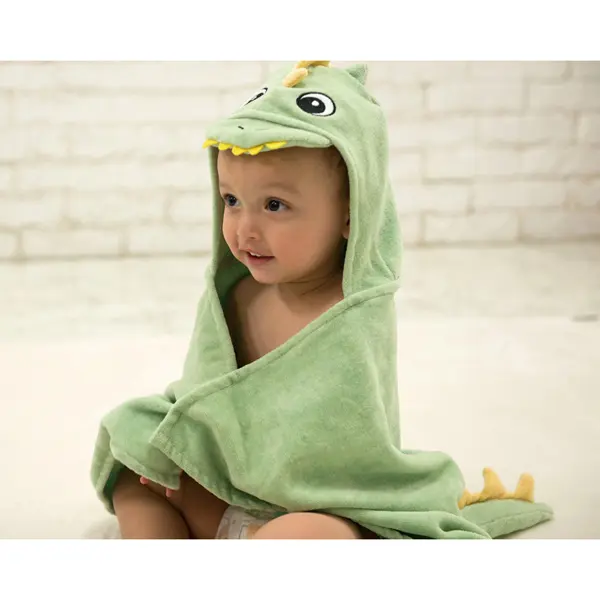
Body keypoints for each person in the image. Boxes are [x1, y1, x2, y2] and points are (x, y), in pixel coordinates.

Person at [91, 60, 552, 541]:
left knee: (308, 535)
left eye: (274, 205)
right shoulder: (234, 294)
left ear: (352, 213)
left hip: (315, 506)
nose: (245, 229)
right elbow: (203, 400)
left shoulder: (351, 315)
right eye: (231, 201)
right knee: (132, 450)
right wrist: (184, 457)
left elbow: (346, 457)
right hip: (223, 491)